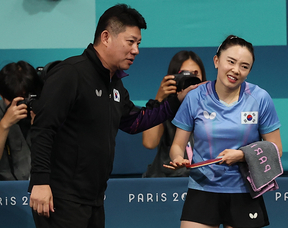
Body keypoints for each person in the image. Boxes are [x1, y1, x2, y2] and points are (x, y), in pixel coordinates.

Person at [28, 4, 198, 228]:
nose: (136, 50)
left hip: (95, 200)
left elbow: (135, 122)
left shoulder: (115, 84)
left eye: (138, 43)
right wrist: (40, 182)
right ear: (106, 37)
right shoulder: (70, 74)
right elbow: (42, 128)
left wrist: (177, 100)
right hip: (60, 198)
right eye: (130, 42)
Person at [165, 35, 282, 228]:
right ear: (217, 61)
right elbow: (177, 145)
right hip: (202, 188)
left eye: (244, 66)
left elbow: (276, 148)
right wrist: (179, 158)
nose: (236, 70)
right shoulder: (195, 97)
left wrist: (242, 155)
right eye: (231, 61)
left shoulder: (260, 98)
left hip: (244, 190)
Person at [142, 50, 207, 177]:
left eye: (195, 74)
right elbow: (149, 143)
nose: (190, 80)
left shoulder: (211, 107)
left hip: (201, 180)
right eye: (184, 74)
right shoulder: (165, 108)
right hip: (166, 179)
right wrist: (159, 100)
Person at [0, 61, 43, 180]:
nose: (19, 105)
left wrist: (41, 126)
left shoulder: (45, 110)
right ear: (2, 95)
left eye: (23, 99)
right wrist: (4, 125)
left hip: (43, 190)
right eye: (13, 100)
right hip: (5, 194)